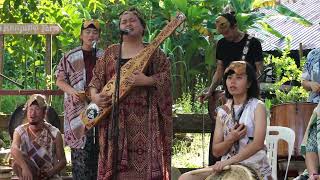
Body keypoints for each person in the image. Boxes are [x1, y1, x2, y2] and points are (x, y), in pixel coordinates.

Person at [88, 7, 172, 180]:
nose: (127, 23)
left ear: (142, 27)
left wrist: (147, 81)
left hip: (145, 122)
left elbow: (166, 78)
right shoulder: (111, 53)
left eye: (132, 20)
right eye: (123, 21)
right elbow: (95, 81)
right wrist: (95, 97)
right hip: (114, 121)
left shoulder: (154, 53)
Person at [180, 61, 272, 180]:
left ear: (249, 83)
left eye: (239, 78)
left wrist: (228, 162)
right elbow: (216, 151)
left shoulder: (257, 106)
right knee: (185, 178)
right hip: (227, 167)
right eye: (229, 78)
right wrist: (231, 139)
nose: (232, 82)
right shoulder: (222, 111)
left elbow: (258, 144)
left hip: (254, 167)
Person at [55, 19, 104, 179]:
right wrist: (73, 91)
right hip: (77, 109)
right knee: (81, 151)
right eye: (87, 32)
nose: (91, 35)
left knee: (99, 149)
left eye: (95, 32)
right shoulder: (70, 56)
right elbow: (59, 80)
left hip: (99, 106)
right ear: (81, 35)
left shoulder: (104, 57)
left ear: (99, 36)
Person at [11, 94, 66, 180]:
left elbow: (62, 161)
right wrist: (25, 168)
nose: (33, 113)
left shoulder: (55, 133)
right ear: (27, 111)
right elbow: (14, 148)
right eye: (31, 109)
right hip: (28, 174)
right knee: (16, 163)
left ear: (44, 113)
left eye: (37, 109)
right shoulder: (19, 131)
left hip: (47, 175)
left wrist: (50, 173)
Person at [296, 49, 320, 180]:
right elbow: (303, 82)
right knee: (313, 141)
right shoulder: (313, 54)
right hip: (314, 107)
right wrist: (310, 84)